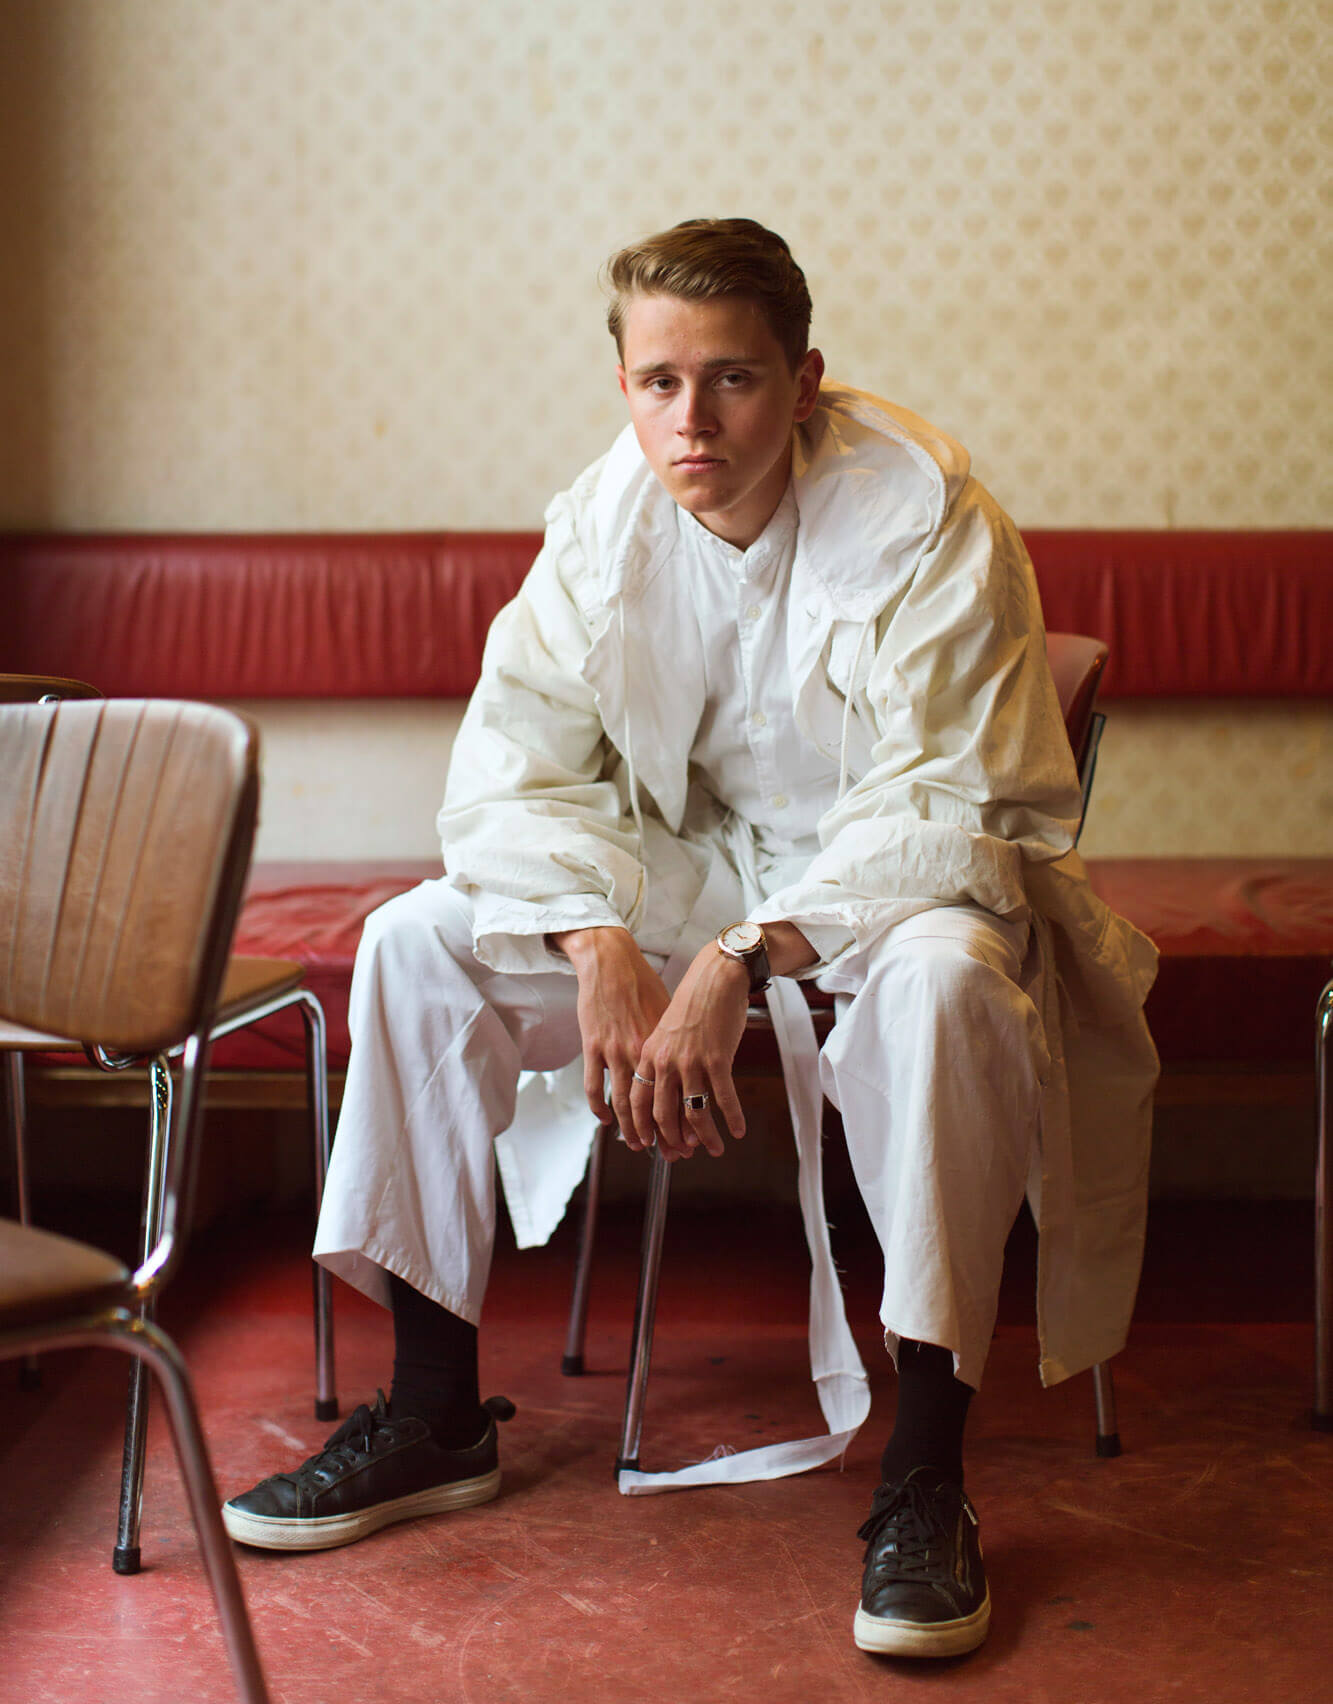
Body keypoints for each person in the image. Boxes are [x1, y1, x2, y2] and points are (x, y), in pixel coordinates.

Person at [222, 218, 1159, 1658]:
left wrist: (734, 960)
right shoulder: (604, 517)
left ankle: (922, 1485)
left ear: (803, 380)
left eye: (729, 379)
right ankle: (429, 1407)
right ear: (619, 383)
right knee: (419, 937)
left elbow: (951, 806)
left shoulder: (923, 513)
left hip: (885, 882)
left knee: (953, 985)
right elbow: (512, 772)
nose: (690, 418)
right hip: (692, 866)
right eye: (658, 381)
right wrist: (600, 939)